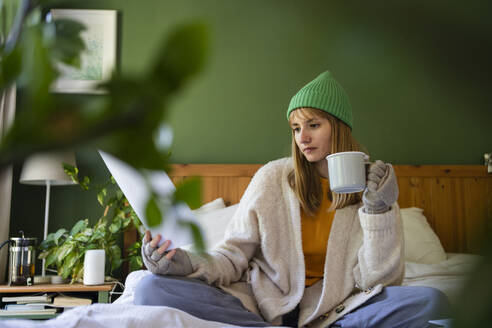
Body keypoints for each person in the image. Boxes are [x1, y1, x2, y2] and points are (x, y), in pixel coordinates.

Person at [134, 71, 450, 327]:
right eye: (297, 128)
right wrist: (183, 262)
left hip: (339, 312)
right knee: (150, 287)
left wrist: (378, 209)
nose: (303, 137)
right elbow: (233, 256)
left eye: (314, 125)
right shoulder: (272, 178)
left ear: (338, 128)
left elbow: (380, 282)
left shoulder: (375, 186)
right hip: (263, 308)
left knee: (430, 300)